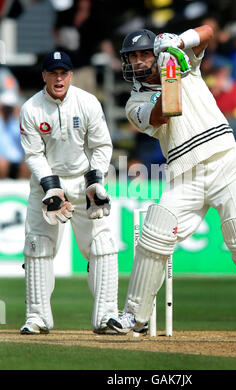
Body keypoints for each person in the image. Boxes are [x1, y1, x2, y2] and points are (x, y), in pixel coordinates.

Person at [107, 26, 236, 342]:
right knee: (154, 233)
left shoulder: (184, 61)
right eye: (132, 57)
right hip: (184, 175)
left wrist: (179, 43)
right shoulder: (134, 103)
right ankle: (133, 316)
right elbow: (165, 112)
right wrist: (170, 72)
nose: (137, 62)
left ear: (155, 52)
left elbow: (210, 33)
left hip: (226, 162)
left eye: (143, 54)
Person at [19, 50, 118, 335]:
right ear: (44, 76)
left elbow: (101, 146)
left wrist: (94, 182)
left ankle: (107, 316)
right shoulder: (31, 109)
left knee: (101, 246)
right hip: (47, 183)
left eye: (63, 73)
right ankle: (37, 317)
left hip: (83, 182)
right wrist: (50, 186)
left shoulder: (87, 103)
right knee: (38, 246)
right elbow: (34, 154)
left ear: (71, 76)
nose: (58, 78)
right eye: (53, 73)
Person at [0, 90, 30, 179]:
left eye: (10, 108)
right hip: (3, 161)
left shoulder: (18, 124)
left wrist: (19, 115)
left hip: (18, 160)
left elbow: (26, 138)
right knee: (2, 164)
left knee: (28, 166)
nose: (7, 110)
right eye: (5, 107)